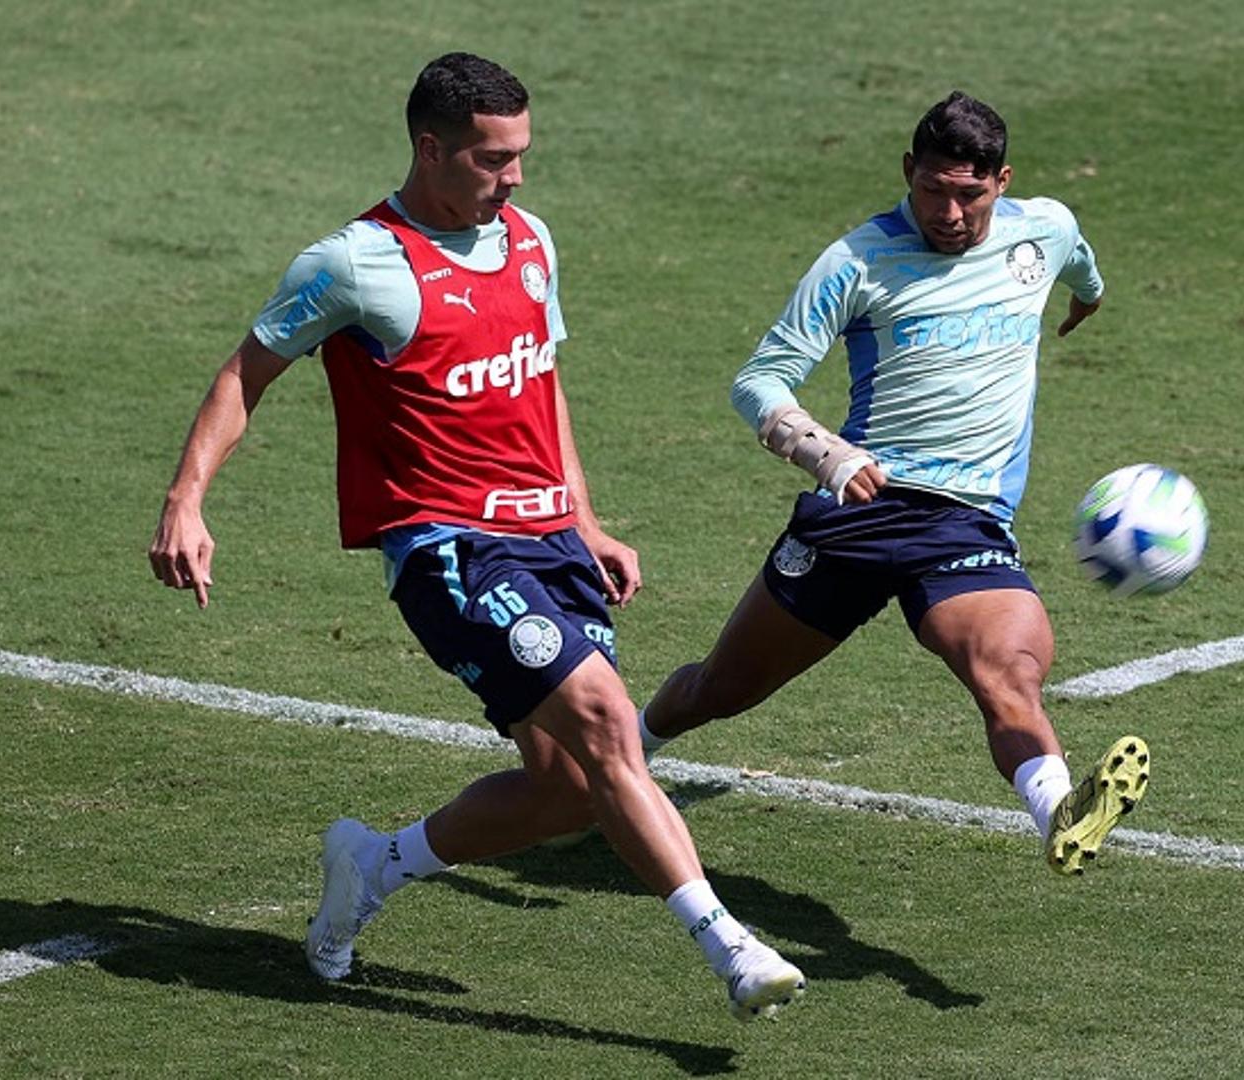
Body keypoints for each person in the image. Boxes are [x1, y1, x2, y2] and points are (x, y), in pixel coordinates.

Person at [147, 52, 804, 1021]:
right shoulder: (354, 264)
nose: (517, 177)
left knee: (567, 791)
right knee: (609, 726)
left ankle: (374, 865)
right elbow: (246, 374)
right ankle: (730, 946)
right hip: (447, 547)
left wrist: (582, 518)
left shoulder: (529, 241)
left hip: (549, 541)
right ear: (431, 149)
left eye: (522, 154)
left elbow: (540, 386)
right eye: (495, 158)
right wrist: (185, 499)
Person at [637, 92, 1150, 876]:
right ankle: (618, 761)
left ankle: (1060, 812)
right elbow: (760, 380)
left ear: (1003, 182)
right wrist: (825, 454)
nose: (949, 212)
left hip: (966, 519)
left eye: (970, 194)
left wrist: (1089, 297)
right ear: (908, 172)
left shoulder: (1044, 231)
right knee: (721, 688)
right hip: (859, 510)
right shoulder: (856, 261)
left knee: (1007, 675)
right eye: (932, 189)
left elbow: (1082, 271)